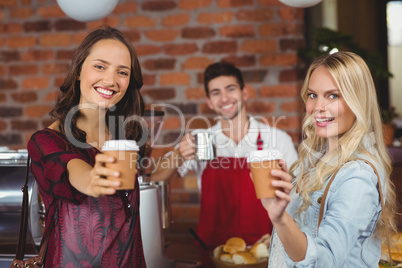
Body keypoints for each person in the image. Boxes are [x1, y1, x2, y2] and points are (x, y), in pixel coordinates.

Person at [264, 51, 398, 267]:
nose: (317, 107)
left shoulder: (357, 175)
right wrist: (285, 190)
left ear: (358, 101)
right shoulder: (312, 161)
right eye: (312, 95)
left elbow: (324, 261)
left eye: (333, 95)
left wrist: (281, 219)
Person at [27, 26, 146, 267]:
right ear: (79, 70)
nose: (110, 80)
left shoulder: (126, 139)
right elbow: (74, 171)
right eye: (100, 66)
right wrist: (92, 178)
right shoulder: (45, 141)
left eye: (122, 72)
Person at [151, 61, 298, 248]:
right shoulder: (200, 141)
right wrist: (179, 154)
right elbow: (156, 179)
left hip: (266, 251)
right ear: (209, 102)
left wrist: (283, 236)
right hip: (214, 253)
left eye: (230, 89)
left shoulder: (278, 139)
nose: (224, 98)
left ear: (244, 93)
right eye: (216, 93)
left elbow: (297, 195)